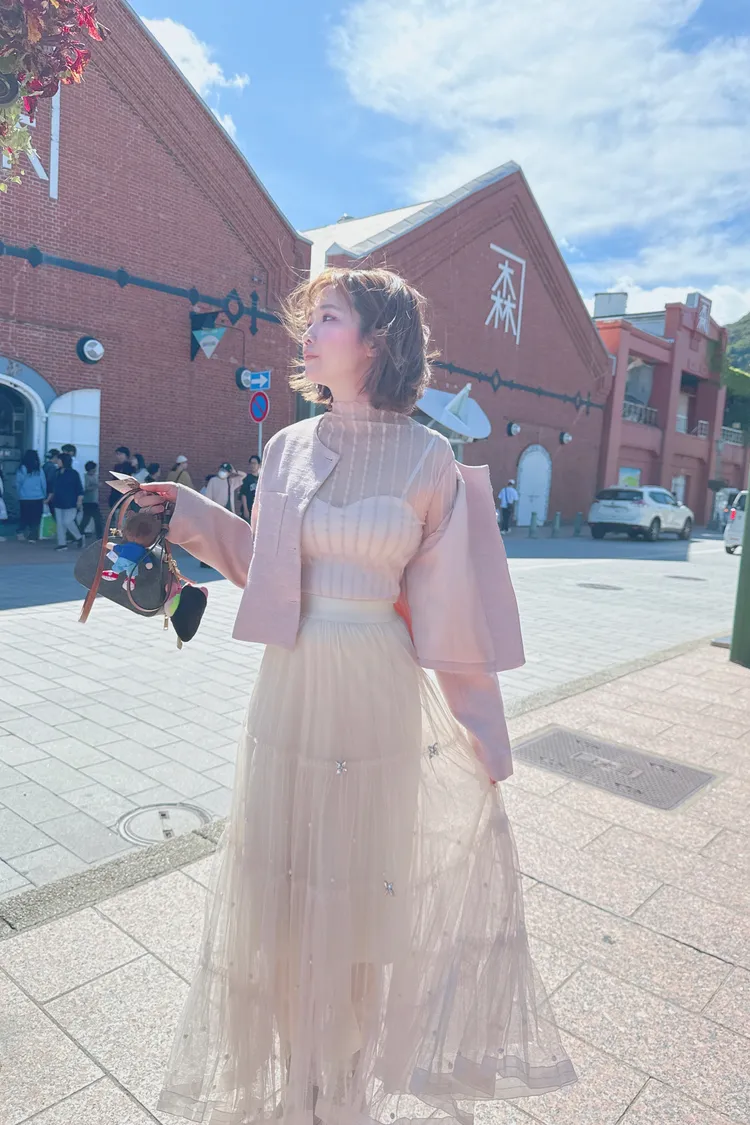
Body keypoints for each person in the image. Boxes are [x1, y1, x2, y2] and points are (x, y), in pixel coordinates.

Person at [136, 268, 575, 1124]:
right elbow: (262, 563)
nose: (306, 333)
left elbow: (451, 611)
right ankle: (297, 1077)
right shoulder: (287, 447)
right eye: (310, 319)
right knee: (283, 887)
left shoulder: (430, 458)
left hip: (378, 682)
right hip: (292, 683)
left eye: (327, 317)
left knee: (363, 886)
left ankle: (341, 1080)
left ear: (377, 339)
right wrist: (185, 511)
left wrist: (484, 732)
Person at [49, 452, 83, 551]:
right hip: (58, 501)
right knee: (60, 523)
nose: (57, 461)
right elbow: (52, 487)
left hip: (70, 502)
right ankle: (62, 543)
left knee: (67, 521)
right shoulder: (56, 472)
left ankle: (79, 537)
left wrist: (79, 501)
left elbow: (79, 489)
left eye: (59, 460)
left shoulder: (73, 473)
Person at [15, 449, 47, 542]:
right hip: (38, 497)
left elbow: (18, 483)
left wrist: (19, 493)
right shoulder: (39, 469)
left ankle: (20, 532)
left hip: (24, 497)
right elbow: (43, 484)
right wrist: (44, 495)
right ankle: (33, 536)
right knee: (36, 517)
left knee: (24, 516)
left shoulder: (22, 469)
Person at [80, 461, 104, 539]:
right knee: (97, 518)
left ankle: (79, 532)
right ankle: (99, 535)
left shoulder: (95, 476)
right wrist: (96, 486)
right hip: (88, 501)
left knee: (87, 519)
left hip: (94, 501)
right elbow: (86, 488)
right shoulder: (85, 477)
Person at [238, 454, 261, 522]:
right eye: (251, 463)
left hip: (258, 510)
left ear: (259, 465)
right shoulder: (247, 478)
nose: (252, 465)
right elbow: (243, 494)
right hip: (248, 509)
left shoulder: (261, 479)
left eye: (254, 463)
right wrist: (245, 509)